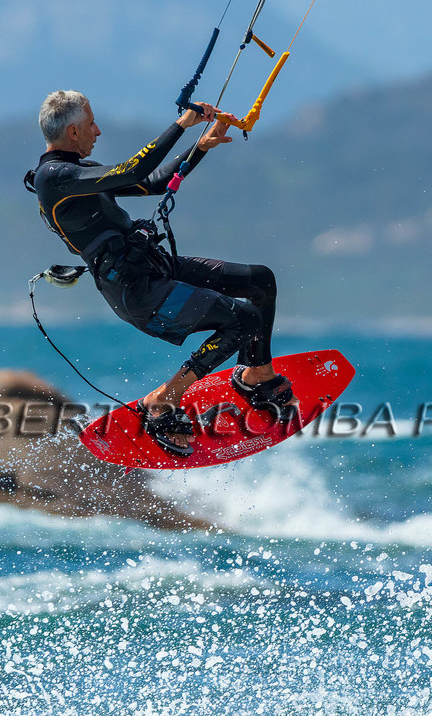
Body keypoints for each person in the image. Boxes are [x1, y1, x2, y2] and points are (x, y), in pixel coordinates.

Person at [24, 90, 296, 457]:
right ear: (73, 132)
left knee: (260, 281)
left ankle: (256, 374)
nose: (98, 131)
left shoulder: (78, 172)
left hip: (154, 266)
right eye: (91, 124)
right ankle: (164, 398)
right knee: (243, 319)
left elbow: (149, 181)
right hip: (136, 290)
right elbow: (132, 170)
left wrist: (200, 146)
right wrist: (182, 124)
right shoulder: (54, 177)